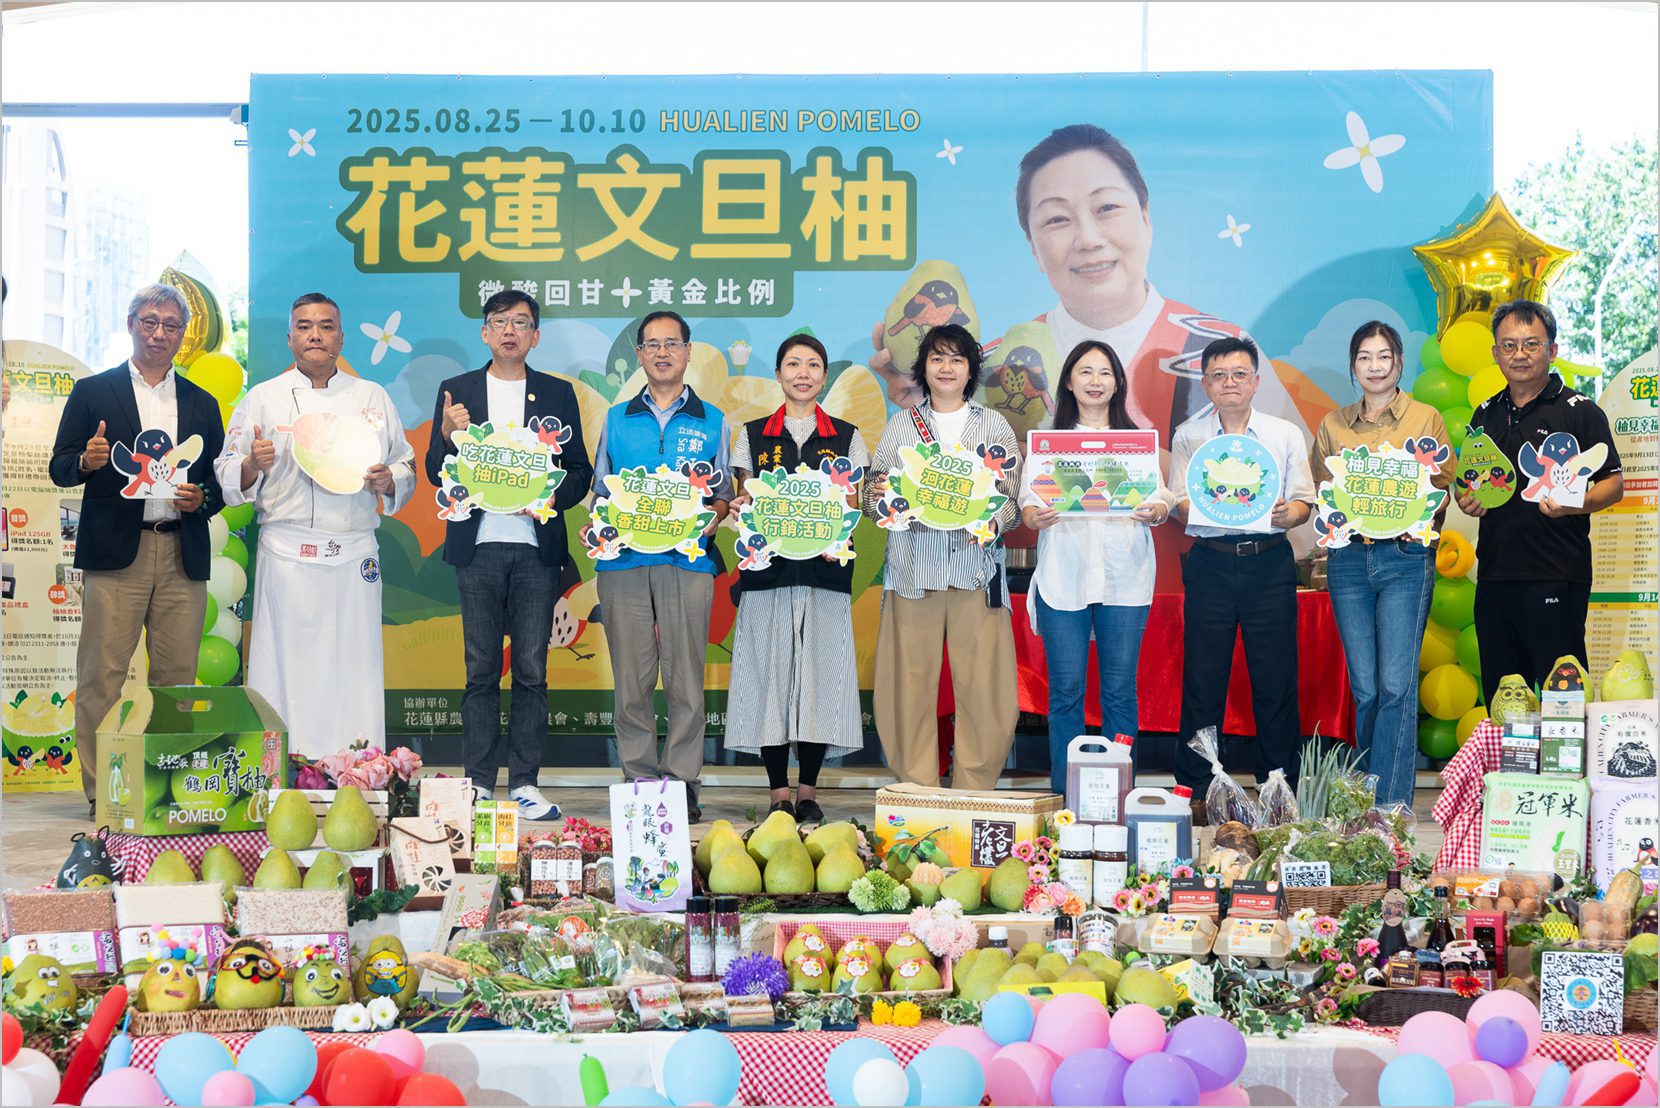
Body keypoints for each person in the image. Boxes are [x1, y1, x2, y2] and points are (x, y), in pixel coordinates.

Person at [871, 123, 1318, 588]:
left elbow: (1295, 520)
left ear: (1146, 217)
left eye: (1107, 208)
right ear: (1033, 246)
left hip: (1185, 598)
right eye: (1057, 219)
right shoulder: (991, 368)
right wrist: (931, 412)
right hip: (1048, 589)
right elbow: (967, 493)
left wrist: (1136, 464)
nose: (1087, 238)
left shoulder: (1222, 353)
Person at [214, 293, 416, 758]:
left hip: (353, 551)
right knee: (278, 665)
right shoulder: (262, 398)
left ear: (341, 337)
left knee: (355, 666)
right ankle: (280, 771)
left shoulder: (372, 397)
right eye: (304, 326)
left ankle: (358, 770)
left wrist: (389, 479)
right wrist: (250, 464)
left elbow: (405, 468)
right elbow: (226, 473)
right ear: (290, 338)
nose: (315, 335)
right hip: (286, 551)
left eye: (326, 326)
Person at [50, 284, 225, 811]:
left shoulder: (202, 402)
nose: (159, 333)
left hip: (180, 553)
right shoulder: (93, 392)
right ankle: (105, 795)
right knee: (102, 677)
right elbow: (60, 466)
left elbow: (217, 483)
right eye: (150, 321)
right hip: (116, 555)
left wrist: (202, 498)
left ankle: (165, 792)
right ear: (130, 324)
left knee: (176, 683)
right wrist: (87, 461)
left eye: (171, 325)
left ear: (182, 335)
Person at [424, 289, 592, 822]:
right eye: (500, 321)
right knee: (479, 670)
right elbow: (435, 470)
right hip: (476, 548)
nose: (509, 331)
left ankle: (524, 782)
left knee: (531, 671)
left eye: (521, 322)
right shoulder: (457, 390)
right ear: (485, 332)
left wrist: (543, 498)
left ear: (535, 336)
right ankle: (476, 782)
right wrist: (450, 437)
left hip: (535, 550)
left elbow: (581, 473)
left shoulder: (557, 393)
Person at [587, 311, 732, 822]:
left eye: (673, 343)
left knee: (686, 677)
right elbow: (599, 492)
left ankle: (683, 780)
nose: (663, 352)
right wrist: (606, 520)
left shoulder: (712, 420)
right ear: (641, 354)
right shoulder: (616, 418)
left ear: (689, 351)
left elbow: (724, 495)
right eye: (652, 344)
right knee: (631, 677)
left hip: (687, 561)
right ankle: (640, 779)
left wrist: (712, 516)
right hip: (624, 562)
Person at [865, 323, 1021, 791]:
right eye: (937, 359)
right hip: (914, 570)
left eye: (956, 359)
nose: (946, 367)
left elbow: (1011, 501)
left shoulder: (992, 425)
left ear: (971, 369)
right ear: (924, 368)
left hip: (975, 573)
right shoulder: (902, 424)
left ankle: (974, 788)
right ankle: (915, 788)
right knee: (908, 687)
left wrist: (993, 521)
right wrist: (888, 505)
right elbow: (874, 497)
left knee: (984, 689)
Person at [1170, 336, 1316, 824]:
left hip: (1268, 561)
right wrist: (1208, 505)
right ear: (1205, 383)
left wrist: (1286, 514)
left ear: (1255, 381)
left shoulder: (1284, 434)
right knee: (1202, 679)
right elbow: (1178, 502)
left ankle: (1278, 786)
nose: (1229, 383)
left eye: (1239, 374)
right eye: (1218, 375)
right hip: (1210, 561)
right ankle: (1196, 784)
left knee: (1275, 677)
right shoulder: (1190, 435)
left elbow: (1303, 501)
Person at [725, 335, 868, 822]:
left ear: (824, 376)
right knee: (770, 681)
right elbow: (741, 500)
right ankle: (777, 794)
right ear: (780, 374)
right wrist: (742, 506)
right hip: (767, 577)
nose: (802, 372)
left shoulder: (848, 437)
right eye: (792, 363)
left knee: (819, 683)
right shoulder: (752, 434)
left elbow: (854, 507)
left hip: (825, 576)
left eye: (812, 364)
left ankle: (808, 791)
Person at [1019, 340, 1173, 793]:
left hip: (1125, 579)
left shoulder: (1136, 443)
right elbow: (1029, 501)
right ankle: (1067, 795)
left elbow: (1160, 496)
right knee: (1065, 692)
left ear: (1117, 383)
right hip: (1062, 578)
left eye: (1104, 373)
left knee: (1120, 692)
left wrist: (1158, 510)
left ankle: (1117, 793)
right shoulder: (1049, 445)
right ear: (1069, 381)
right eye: (1085, 372)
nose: (1095, 381)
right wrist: (1033, 515)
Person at [1312, 322, 1453, 808]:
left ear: (1398, 362)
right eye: (1365, 357)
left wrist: (1415, 505)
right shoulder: (1334, 424)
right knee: (1366, 687)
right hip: (1349, 559)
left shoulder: (1425, 418)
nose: (1375, 366)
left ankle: (1389, 805)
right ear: (1353, 367)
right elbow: (1322, 493)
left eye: (1384, 356)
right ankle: (1367, 796)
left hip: (1405, 559)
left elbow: (1443, 489)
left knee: (1396, 683)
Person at [1456, 299, 1622, 705]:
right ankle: (1510, 770)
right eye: (1509, 345)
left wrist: (1575, 504)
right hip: (1494, 575)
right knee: (1503, 693)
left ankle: (1565, 769)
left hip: (1556, 572)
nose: (1519, 354)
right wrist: (1467, 501)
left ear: (1553, 349)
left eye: (1531, 344)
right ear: (1495, 353)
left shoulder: (1580, 411)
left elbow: (1613, 485)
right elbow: (1469, 484)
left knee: (1561, 690)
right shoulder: (1485, 413)